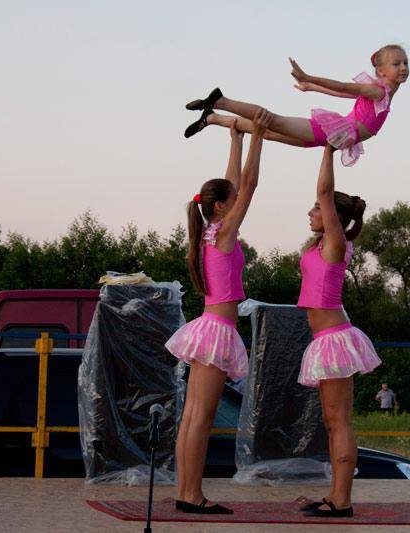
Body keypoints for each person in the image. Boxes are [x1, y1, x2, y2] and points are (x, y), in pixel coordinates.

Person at [164, 109, 272, 514]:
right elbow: (249, 184)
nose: (237, 201)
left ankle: (186, 493)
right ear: (223, 208)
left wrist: (236, 140)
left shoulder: (211, 230)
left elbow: (234, 185)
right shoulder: (223, 233)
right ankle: (191, 495)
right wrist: (258, 136)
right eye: (233, 201)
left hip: (210, 326)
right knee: (201, 417)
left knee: (194, 416)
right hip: (216, 331)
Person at [294, 146, 381, 517]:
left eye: (317, 208)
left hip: (334, 341)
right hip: (324, 340)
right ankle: (335, 494)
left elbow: (326, 192)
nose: (311, 212)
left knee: (339, 421)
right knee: (331, 422)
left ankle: (342, 500)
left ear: (334, 217)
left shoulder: (335, 242)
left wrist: (328, 149)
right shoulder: (320, 245)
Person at [183, 45, 409, 166]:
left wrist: (311, 87)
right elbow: (343, 86)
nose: (403, 68)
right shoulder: (378, 91)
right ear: (381, 71)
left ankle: (211, 118)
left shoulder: (383, 93)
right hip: (331, 131)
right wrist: (308, 77)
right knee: (272, 121)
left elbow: (341, 94)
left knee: (267, 132)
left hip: (332, 135)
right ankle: (221, 101)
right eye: (396, 64)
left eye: (405, 63)